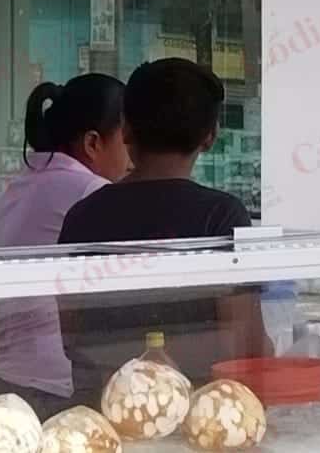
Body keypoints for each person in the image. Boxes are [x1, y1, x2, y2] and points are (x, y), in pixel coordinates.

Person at [56, 58, 271, 409]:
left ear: (125, 131)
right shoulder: (221, 215)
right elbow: (244, 345)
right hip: (197, 415)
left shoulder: (83, 216)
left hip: (102, 415)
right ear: (210, 137)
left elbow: (69, 333)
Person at [0, 74, 131, 420]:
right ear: (93, 143)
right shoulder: (93, 193)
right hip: (58, 395)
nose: (131, 155)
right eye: (126, 138)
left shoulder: (11, 192)